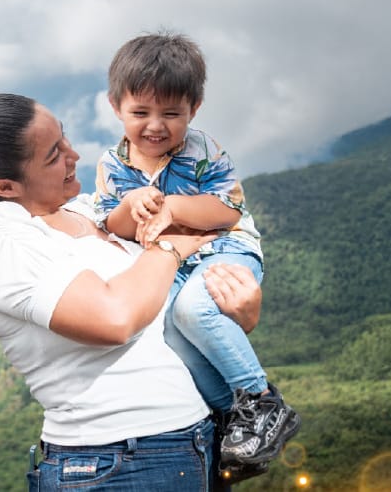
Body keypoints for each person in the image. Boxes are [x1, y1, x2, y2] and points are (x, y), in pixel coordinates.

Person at [0, 93, 265, 489]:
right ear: (5, 186)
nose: (75, 155)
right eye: (54, 155)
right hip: (116, 463)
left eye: (64, 138)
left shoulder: (91, 210)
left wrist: (238, 312)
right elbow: (115, 318)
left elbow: (173, 294)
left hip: (195, 443)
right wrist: (169, 249)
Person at [92, 33, 298, 470]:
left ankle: (262, 401)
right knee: (164, 329)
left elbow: (227, 210)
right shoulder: (112, 165)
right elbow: (112, 224)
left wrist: (172, 207)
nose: (155, 126)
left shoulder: (203, 150)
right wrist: (132, 205)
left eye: (171, 114)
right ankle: (229, 414)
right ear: (115, 106)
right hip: (171, 261)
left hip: (224, 247)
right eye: (140, 113)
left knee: (193, 310)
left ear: (194, 109)